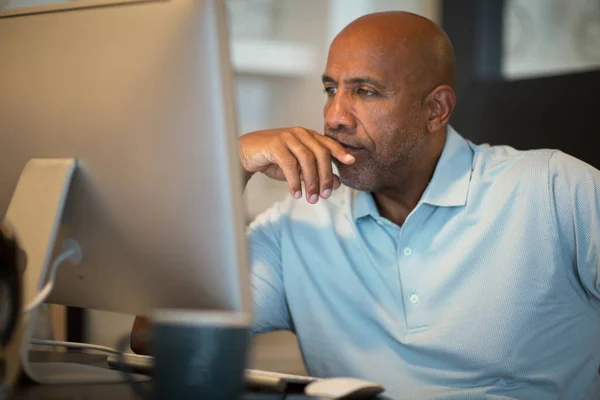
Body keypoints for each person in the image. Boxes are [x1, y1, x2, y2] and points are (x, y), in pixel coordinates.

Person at [132, 11, 600, 399]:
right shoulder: (298, 223)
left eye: (366, 91)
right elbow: (153, 337)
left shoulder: (552, 189)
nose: (335, 116)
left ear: (436, 110)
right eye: (331, 89)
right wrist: (232, 163)